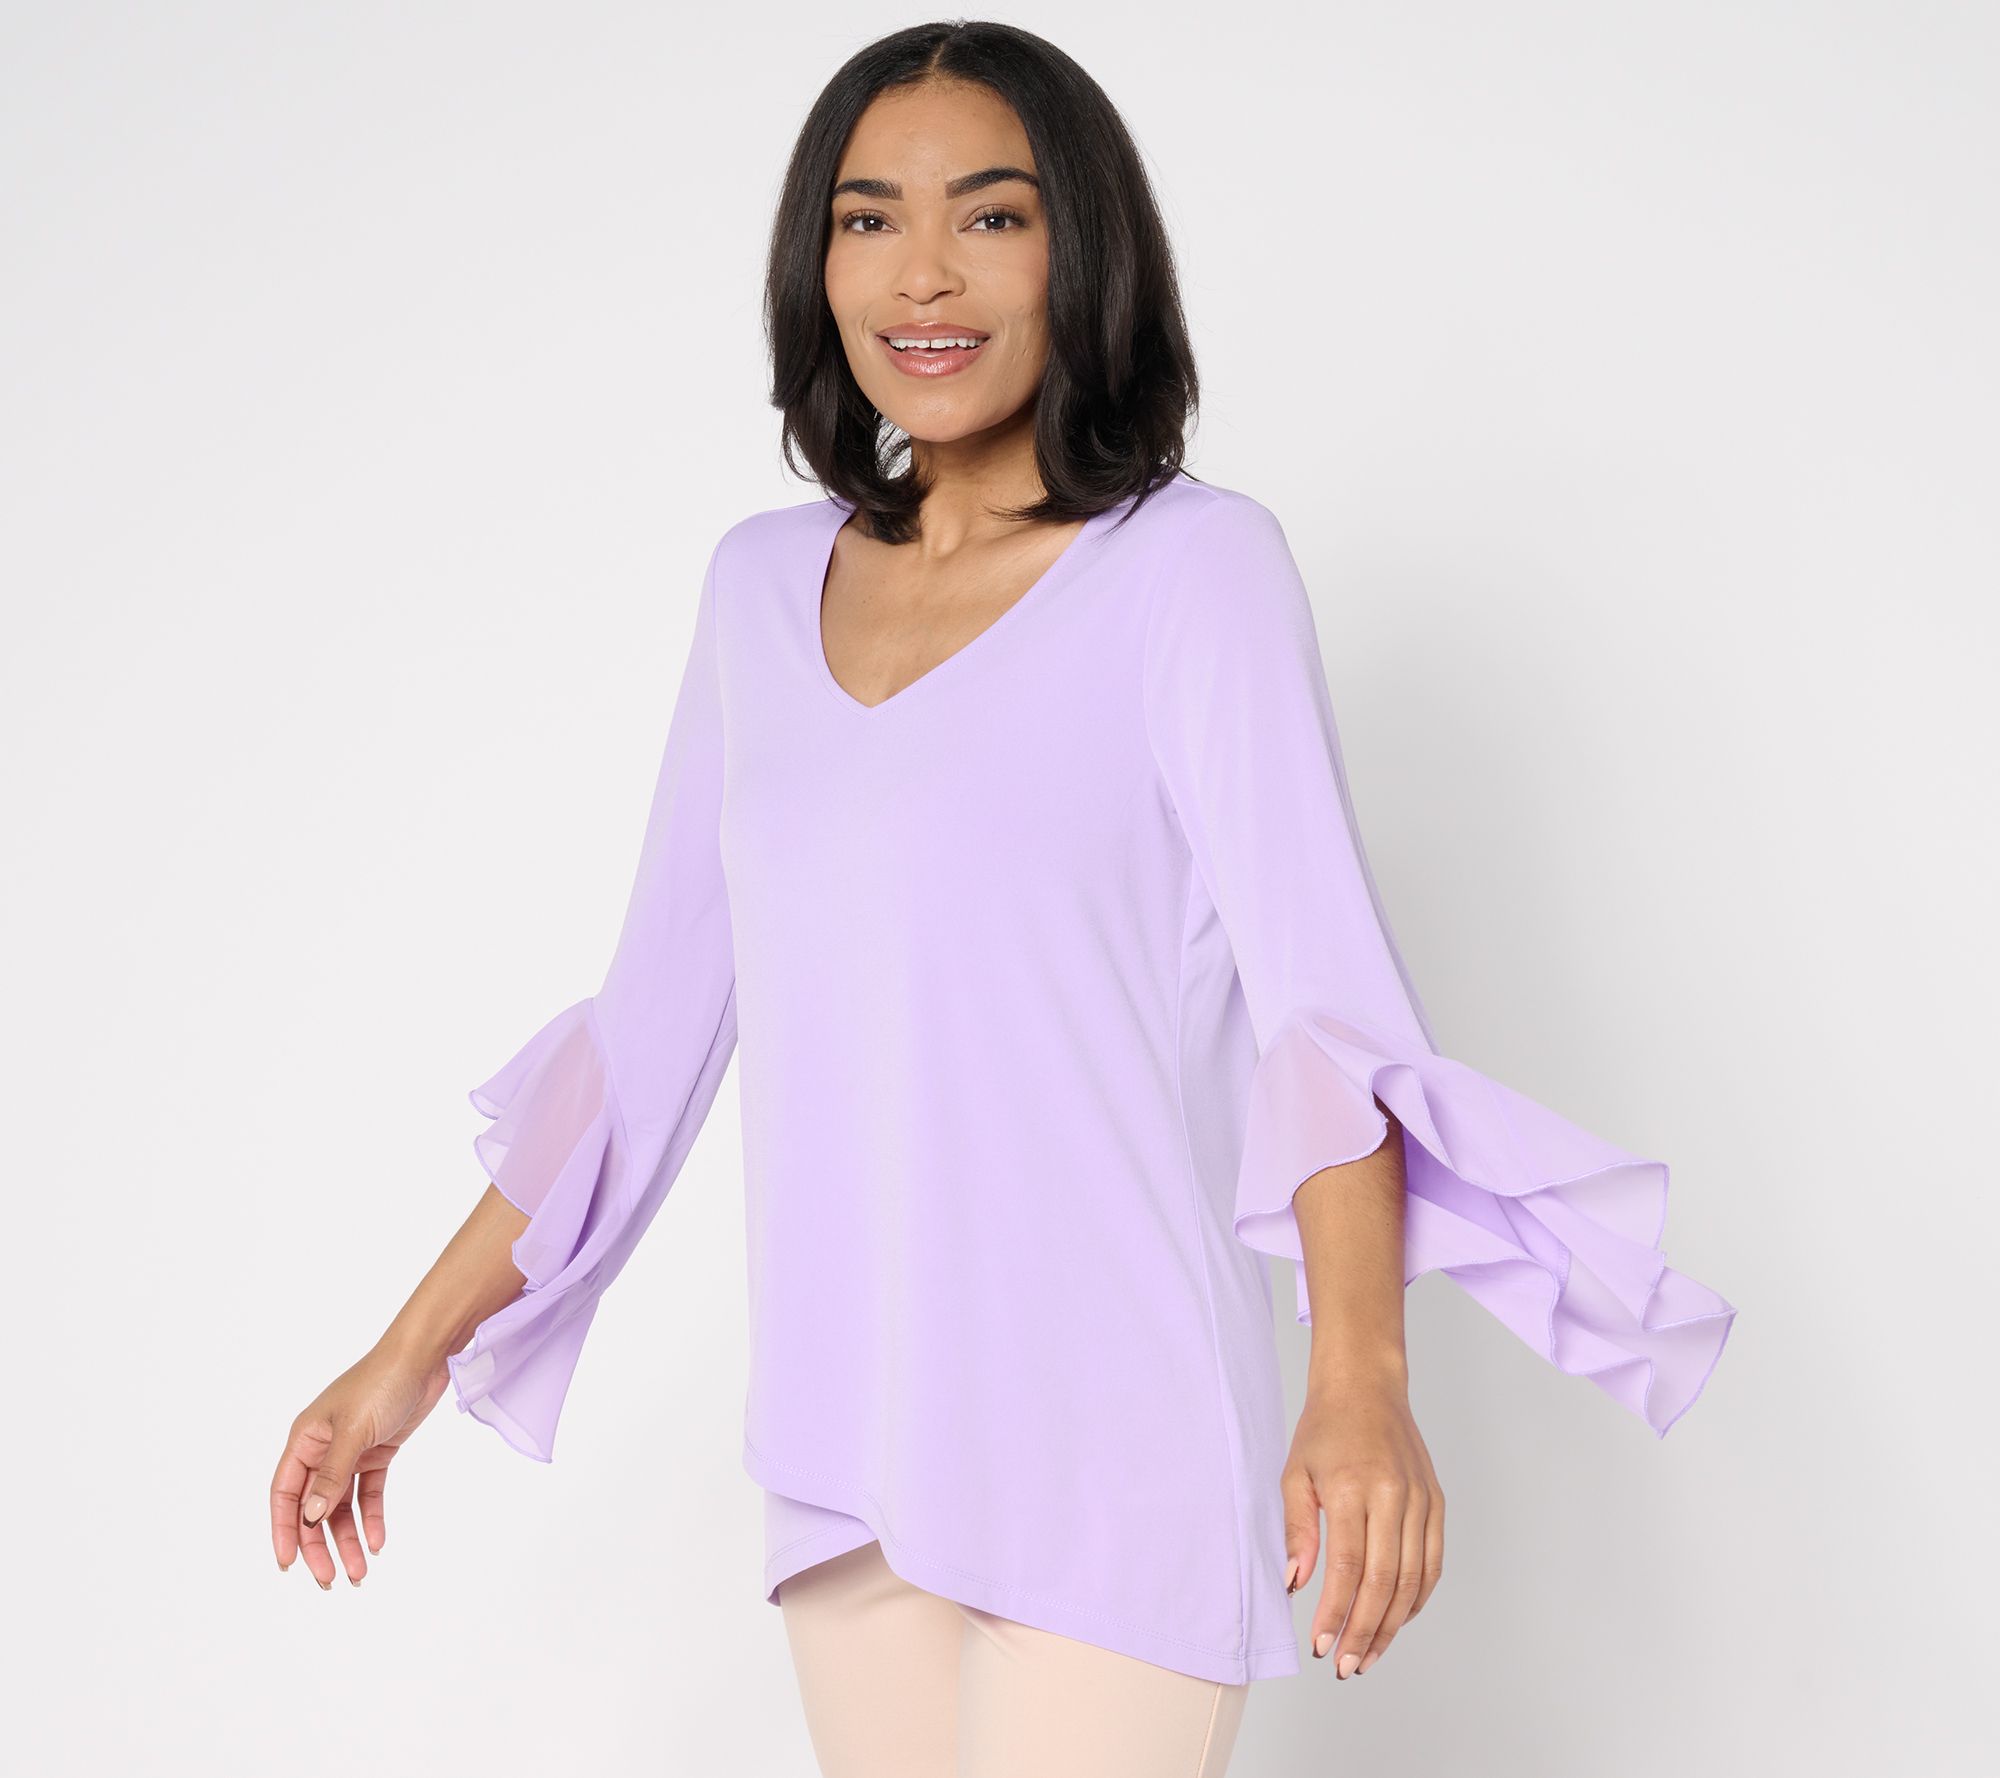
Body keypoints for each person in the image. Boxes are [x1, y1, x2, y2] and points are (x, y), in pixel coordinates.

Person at [268, 21, 1735, 1777]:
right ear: (817, 265)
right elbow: (642, 1049)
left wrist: (1361, 1381)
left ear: (1079, 251)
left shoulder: (1192, 571)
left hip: (1120, 1441)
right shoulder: (756, 593)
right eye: (868, 219)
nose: (924, 274)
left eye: (991, 215)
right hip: (846, 1450)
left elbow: (1328, 1013)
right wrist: (403, 1361)